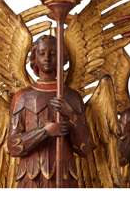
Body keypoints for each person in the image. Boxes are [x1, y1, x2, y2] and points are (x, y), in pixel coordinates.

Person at [7, 35, 93, 188]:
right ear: (35, 58)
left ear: (61, 58)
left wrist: (72, 116)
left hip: (64, 175)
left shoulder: (72, 96)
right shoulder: (23, 97)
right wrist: (44, 131)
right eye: (42, 53)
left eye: (53, 54)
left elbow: (85, 148)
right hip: (31, 176)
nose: (47, 58)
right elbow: (13, 146)